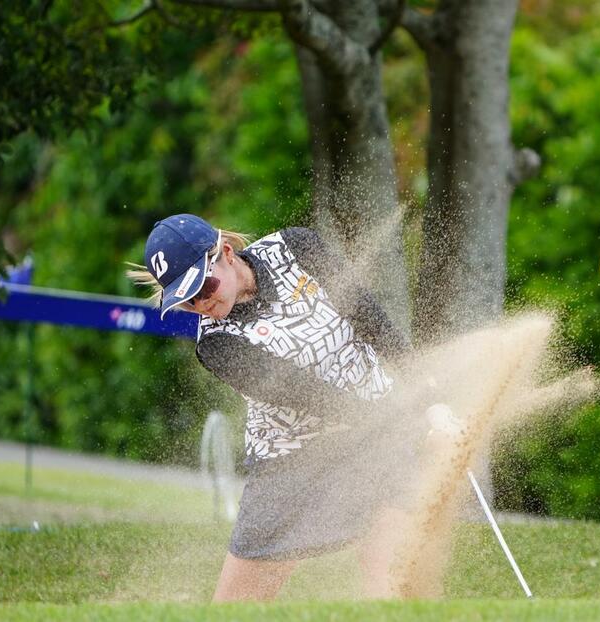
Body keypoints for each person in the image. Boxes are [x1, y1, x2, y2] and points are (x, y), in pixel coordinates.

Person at [127, 214, 417, 600]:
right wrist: (392, 416)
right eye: (187, 301)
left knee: (389, 581)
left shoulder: (297, 247)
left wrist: (423, 389)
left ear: (226, 254)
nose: (202, 304)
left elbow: (368, 316)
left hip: (375, 438)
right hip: (289, 462)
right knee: (237, 607)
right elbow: (307, 393)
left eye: (204, 286)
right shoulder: (215, 345)